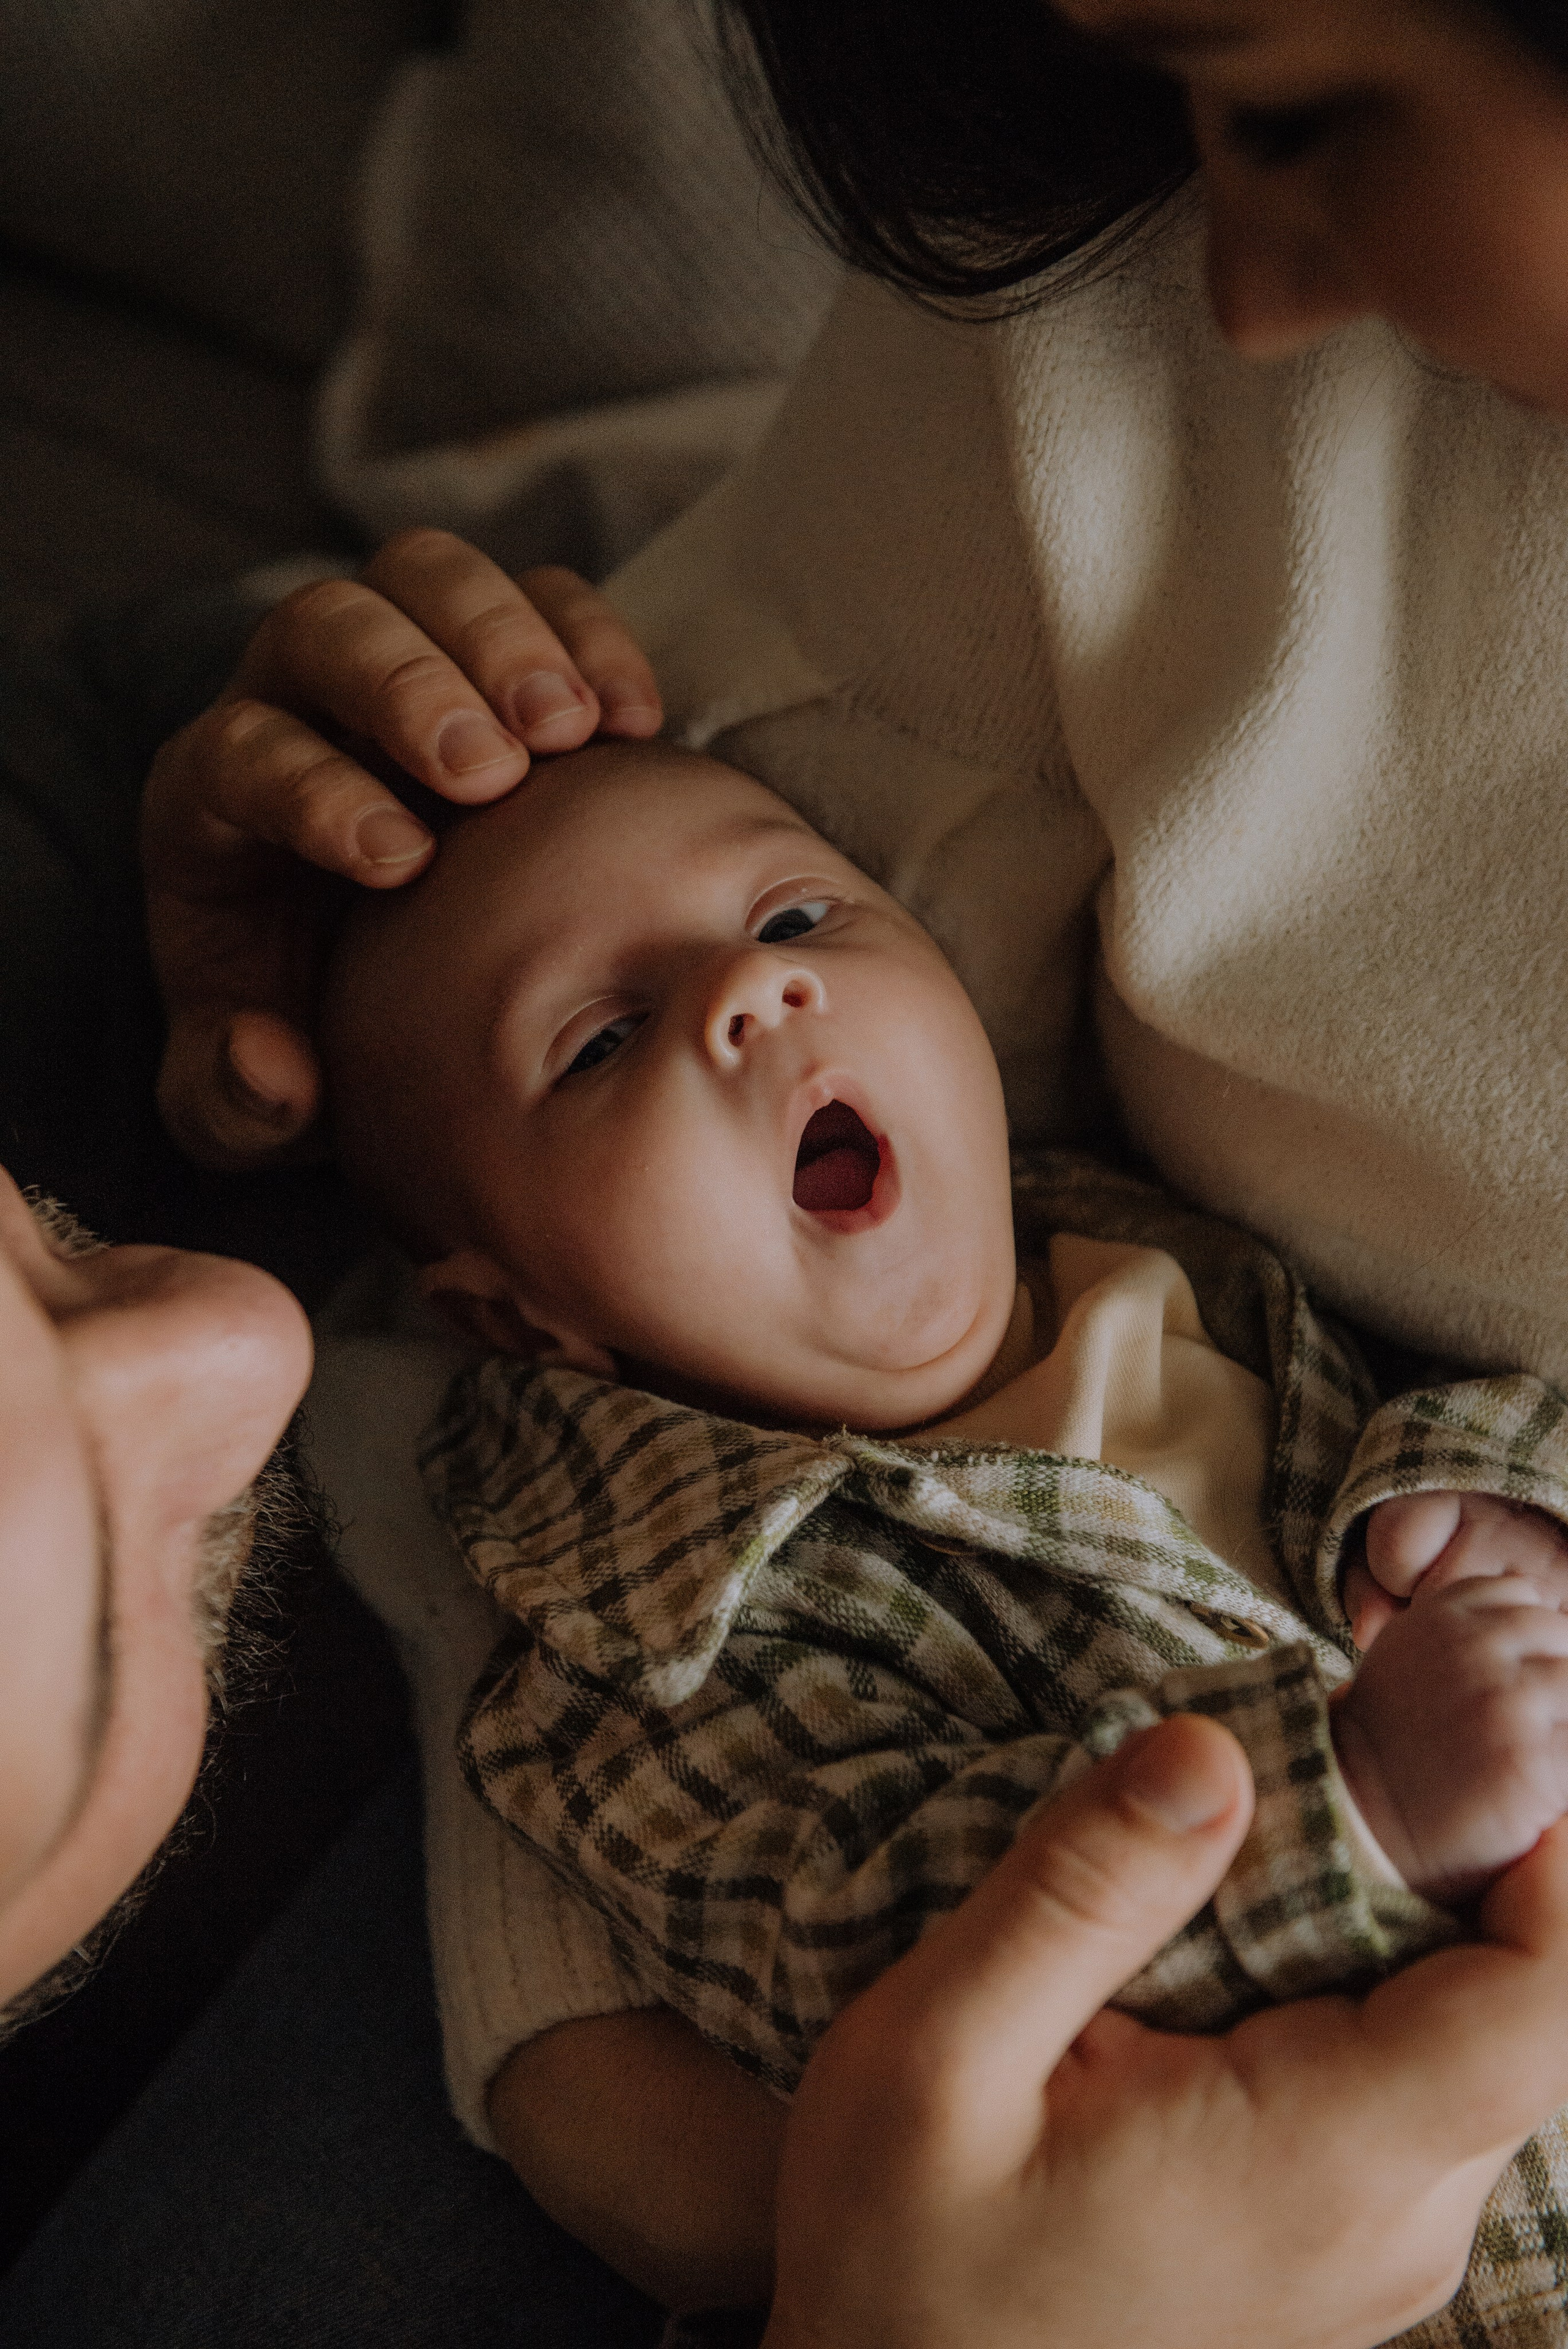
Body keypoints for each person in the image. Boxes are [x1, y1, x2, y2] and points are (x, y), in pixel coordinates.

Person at [121, 0, 1568, 2334]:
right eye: (616, 1038)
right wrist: (1367, 1786)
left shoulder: (1155, 1282)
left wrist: (1487, 1509)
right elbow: (862, 1912)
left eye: (804, 924)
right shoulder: (679, 1637)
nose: (756, 990)